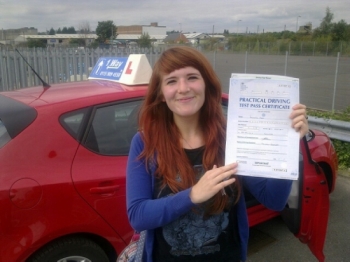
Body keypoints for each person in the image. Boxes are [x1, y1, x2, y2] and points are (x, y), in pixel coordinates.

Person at [126, 46, 309, 262]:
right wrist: (193, 195)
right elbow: (138, 215)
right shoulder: (145, 142)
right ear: (161, 94)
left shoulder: (231, 137)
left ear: (206, 85)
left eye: (192, 77)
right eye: (172, 81)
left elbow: (275, 200)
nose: (183, 88)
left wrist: (285, 144)